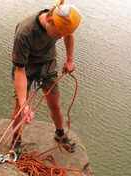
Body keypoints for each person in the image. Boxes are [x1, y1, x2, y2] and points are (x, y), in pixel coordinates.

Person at [10, 2, 81, 155]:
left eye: (63, 34)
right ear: (50, 21)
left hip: (48, 63)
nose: (61, 37)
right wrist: (24, 103)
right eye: (58, 34)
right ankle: (16, 140)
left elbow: (68, 34)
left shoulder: (61, 22)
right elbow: (19, 70)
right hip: (26, 65)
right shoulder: (25, 32)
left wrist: (69, 60)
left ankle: (60, 133)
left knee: (54, 103)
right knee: (19, 107)